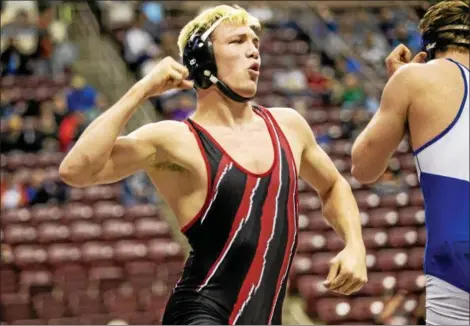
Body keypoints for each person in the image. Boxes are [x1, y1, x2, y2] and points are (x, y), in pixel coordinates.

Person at [59, 5, 367, 325]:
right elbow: (76, 170)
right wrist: (141, 90)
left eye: (255, 43)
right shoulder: (176, 139)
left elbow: (333, 185)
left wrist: (355, 244)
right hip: (201, 314)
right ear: (204, 61)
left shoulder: (289, 125)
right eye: (237, 42)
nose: (253, 51)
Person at [351, 1, 469, 324]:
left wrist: (399, 87)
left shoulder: (415, 78)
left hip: (455, 259)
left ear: (428, 48)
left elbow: (363, 167)